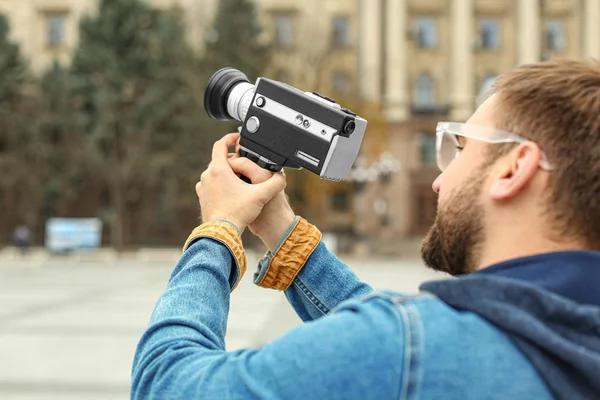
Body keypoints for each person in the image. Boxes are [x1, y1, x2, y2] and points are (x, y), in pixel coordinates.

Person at [131, 59, 600, 399]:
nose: (438, 180)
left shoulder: (404, 351)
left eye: (458, 149)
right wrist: (282, 233)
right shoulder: (569, 330)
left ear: (513, 168)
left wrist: (218, 229)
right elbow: (408, 344)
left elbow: (166, 386)